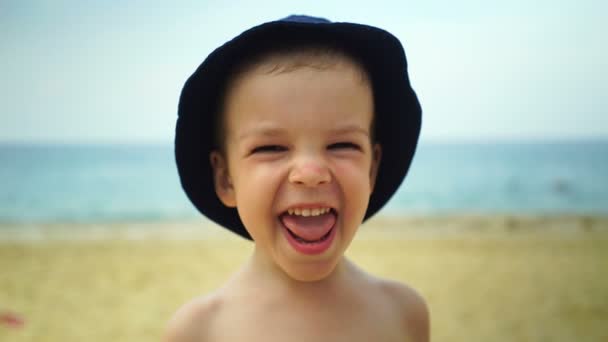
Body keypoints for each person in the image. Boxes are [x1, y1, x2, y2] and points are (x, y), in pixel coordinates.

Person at [166, 15, 428, 341]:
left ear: (372, 169)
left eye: (342, 144)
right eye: (271, 147)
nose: (310, 173)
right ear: (226, 179)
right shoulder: (200, 330)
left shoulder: (403, 314)